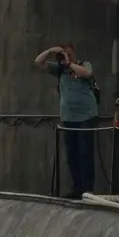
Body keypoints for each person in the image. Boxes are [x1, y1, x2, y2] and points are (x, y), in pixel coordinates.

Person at [34, 43, 98, 199]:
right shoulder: (59, 69)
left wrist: (70, 63)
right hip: (68, 118)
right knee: (72, 155)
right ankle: (77, 188)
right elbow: (38, 62)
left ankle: (87, 189)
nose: (64, 57)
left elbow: (87, 73)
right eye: (63, 54)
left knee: (85, 153)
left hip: (86, 116)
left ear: (74, 54)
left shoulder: (83, 64)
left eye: (68, 53)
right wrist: (50, 51)